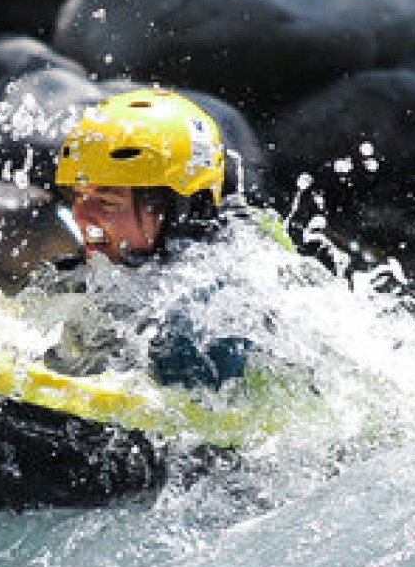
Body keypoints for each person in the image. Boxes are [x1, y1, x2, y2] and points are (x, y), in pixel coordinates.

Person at [46, 86, 286, 392]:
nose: (81, 217)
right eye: (79, 197)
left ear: (179, 213)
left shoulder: (207, 323)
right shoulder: (99, 279)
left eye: (107, 201)